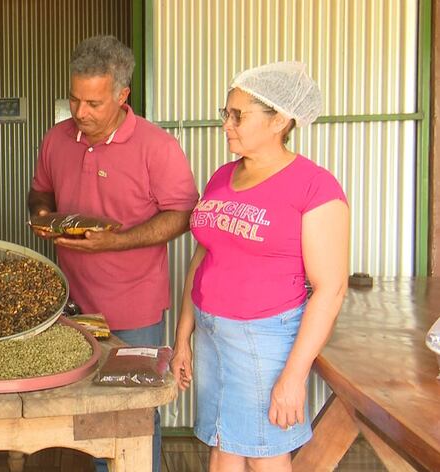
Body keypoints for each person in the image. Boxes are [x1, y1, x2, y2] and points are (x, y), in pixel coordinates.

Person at [28, 35, 199, 472]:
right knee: (83, 408)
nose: (79, 113)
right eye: (74, 99)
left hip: (134, 310)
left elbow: (181, 215)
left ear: (123, 96)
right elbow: (40, 191)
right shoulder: (57, 138)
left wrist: (117, 241)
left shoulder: (157, 147)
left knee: (134, 411)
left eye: (93, 103)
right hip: (70, 306)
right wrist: (44, 217)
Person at [170, 61, 349, 471]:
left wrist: (293, 377)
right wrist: (184, 338)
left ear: (279, 121)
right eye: (226, 113)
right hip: (213, 334)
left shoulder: (314, 186)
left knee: (265, 457)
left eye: (238, 115)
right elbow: (202, 256)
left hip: (264, 340)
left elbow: (331, 289)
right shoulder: (222, 177)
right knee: (223, 447)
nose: (226, 124)